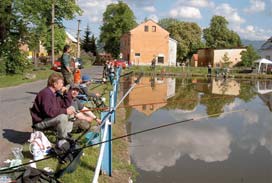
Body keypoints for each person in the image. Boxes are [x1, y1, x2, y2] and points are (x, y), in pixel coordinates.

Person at [30, 73, 75, 139]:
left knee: (72, 108)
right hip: (41, 121)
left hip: (49, 117)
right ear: (55, 84)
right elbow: (49, 112)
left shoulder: (55, 93)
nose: (62, 85)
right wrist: (65, 111)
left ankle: (66, 133)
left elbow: (65, 105)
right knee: (62, 117)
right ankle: (62, 139)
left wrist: (66, 93)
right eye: (61, 83)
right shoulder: (46, 94)